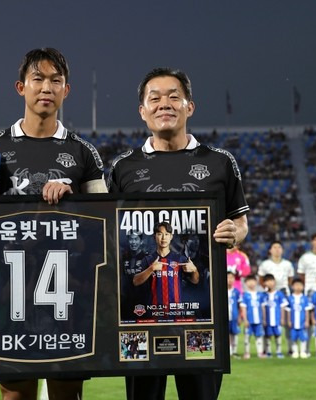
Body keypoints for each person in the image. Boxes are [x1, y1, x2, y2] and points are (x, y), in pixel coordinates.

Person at [0, 47, 106, 400]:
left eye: (56, 80)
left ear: (67, 90)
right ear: (21, 87)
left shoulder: (84, 153)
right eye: (38, 79)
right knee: (15, 396)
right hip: (10, 294)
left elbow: (105, 224)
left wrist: (74, 197)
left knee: (67, 395)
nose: (46, 87)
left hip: (67, 297)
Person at [107, 67, 249, 400]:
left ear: (190, 107)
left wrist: (236, 232)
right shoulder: (121, 167)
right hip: (138, 318)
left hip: (201, 316)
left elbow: (241, 221)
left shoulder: (220, 162)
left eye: (174, 96)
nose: (164, 104)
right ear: (143, 111)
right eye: (154, 98)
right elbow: (109, 233)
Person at [133, 222, 199, 309]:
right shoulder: (147, 259)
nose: (163, 238)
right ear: (154, 237)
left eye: (167, 234)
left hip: (175, 310)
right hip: (154, 310)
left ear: (171, 237)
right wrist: (151, 268)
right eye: (160, 234)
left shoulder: (180, 259)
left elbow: (195, 281)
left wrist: (194, 270)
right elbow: (135, 281)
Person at [120, 229, 148, 321]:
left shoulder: (147, 258)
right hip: (125, 300)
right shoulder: (123, 258)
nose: (133, 242)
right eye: (131, 239)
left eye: (136, 239)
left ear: (141, 241)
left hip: (143, 300)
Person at [262, 274, 288, 358]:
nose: (270, 283)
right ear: (265, 283)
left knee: (278, 335)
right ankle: (268, 351)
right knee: (268, 336)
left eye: (271, 281)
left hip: (277, 319)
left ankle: (278, 351)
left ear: (274, 282)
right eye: (267, 281)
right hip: (268, 320)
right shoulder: (264, 295)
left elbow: (283, 307)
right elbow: (262, 308)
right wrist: (264, 319)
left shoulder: (279, 294)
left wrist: (283, 318)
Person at [240, 275, 265, 359]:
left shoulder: (260, 295)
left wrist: (264, 319)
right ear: (246, 283)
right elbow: (243, 308)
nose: (251, 283)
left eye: (253, 281)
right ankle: (247, 353)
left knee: (259, 337)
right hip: (249, 321)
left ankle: (260, 352)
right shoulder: (245, 295)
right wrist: (245, 319)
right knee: (247, 337)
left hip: (259, 321)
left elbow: (263, 307)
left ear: (256, 282)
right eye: (249, 281)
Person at [286, 278, 311, 359]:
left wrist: (307, 321)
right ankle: (295, 351)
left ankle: (303, 351)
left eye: (300, 285)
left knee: (303, 338)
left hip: (302, 321)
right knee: (293, 337)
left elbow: (307, 310)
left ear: (303, 287)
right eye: (296, 285)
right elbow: (288, 311)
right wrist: (289, 320)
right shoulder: (290, 298)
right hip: (293, 322)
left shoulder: (305, 298)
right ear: (292, 286)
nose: (298, 287)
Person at [227, 271, 242, 358]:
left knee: (235, 333)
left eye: (232, 278)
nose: (230, 280)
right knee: (227, 334)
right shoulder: (221, 291)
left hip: (234, 316)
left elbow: (240, 305)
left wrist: (240, 316)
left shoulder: (236, 292)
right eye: (228, 278)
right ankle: (229, 351)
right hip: (225, 317)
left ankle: (235, 351)